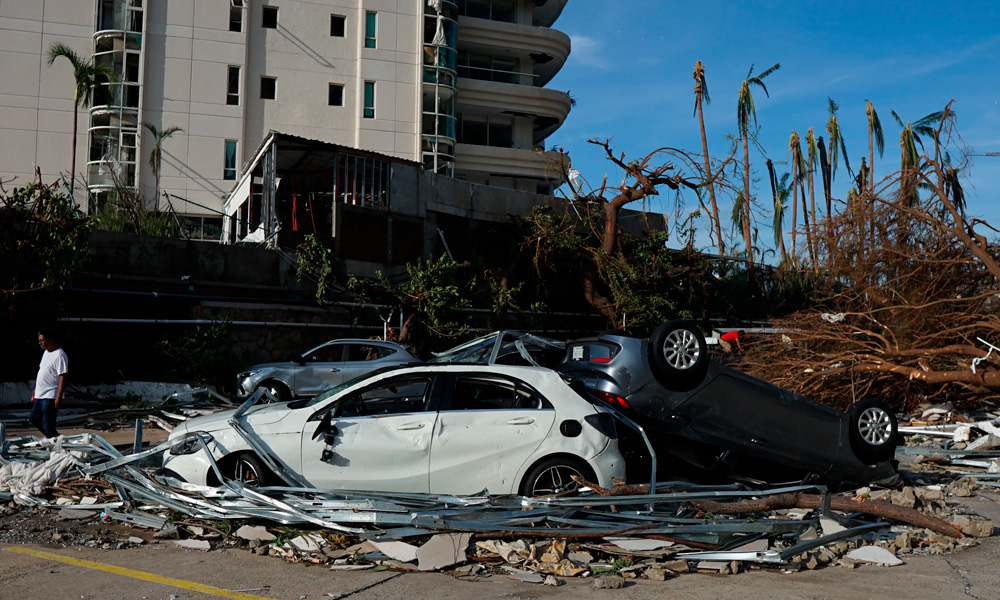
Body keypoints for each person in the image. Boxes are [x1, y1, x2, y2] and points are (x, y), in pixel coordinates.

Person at [30, 327, 68, 438]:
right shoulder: (46, 353)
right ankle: (54, 437)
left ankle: (53, 443)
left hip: (51, 394)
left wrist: (59, 396)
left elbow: (63, 376)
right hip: (40, 394)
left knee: (48, 423)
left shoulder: (60, 355)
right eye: (39, 341)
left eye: (42, 340)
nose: (40, 343)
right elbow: (44, 371)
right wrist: (36, 389)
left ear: (50, 340)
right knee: (34, 418)